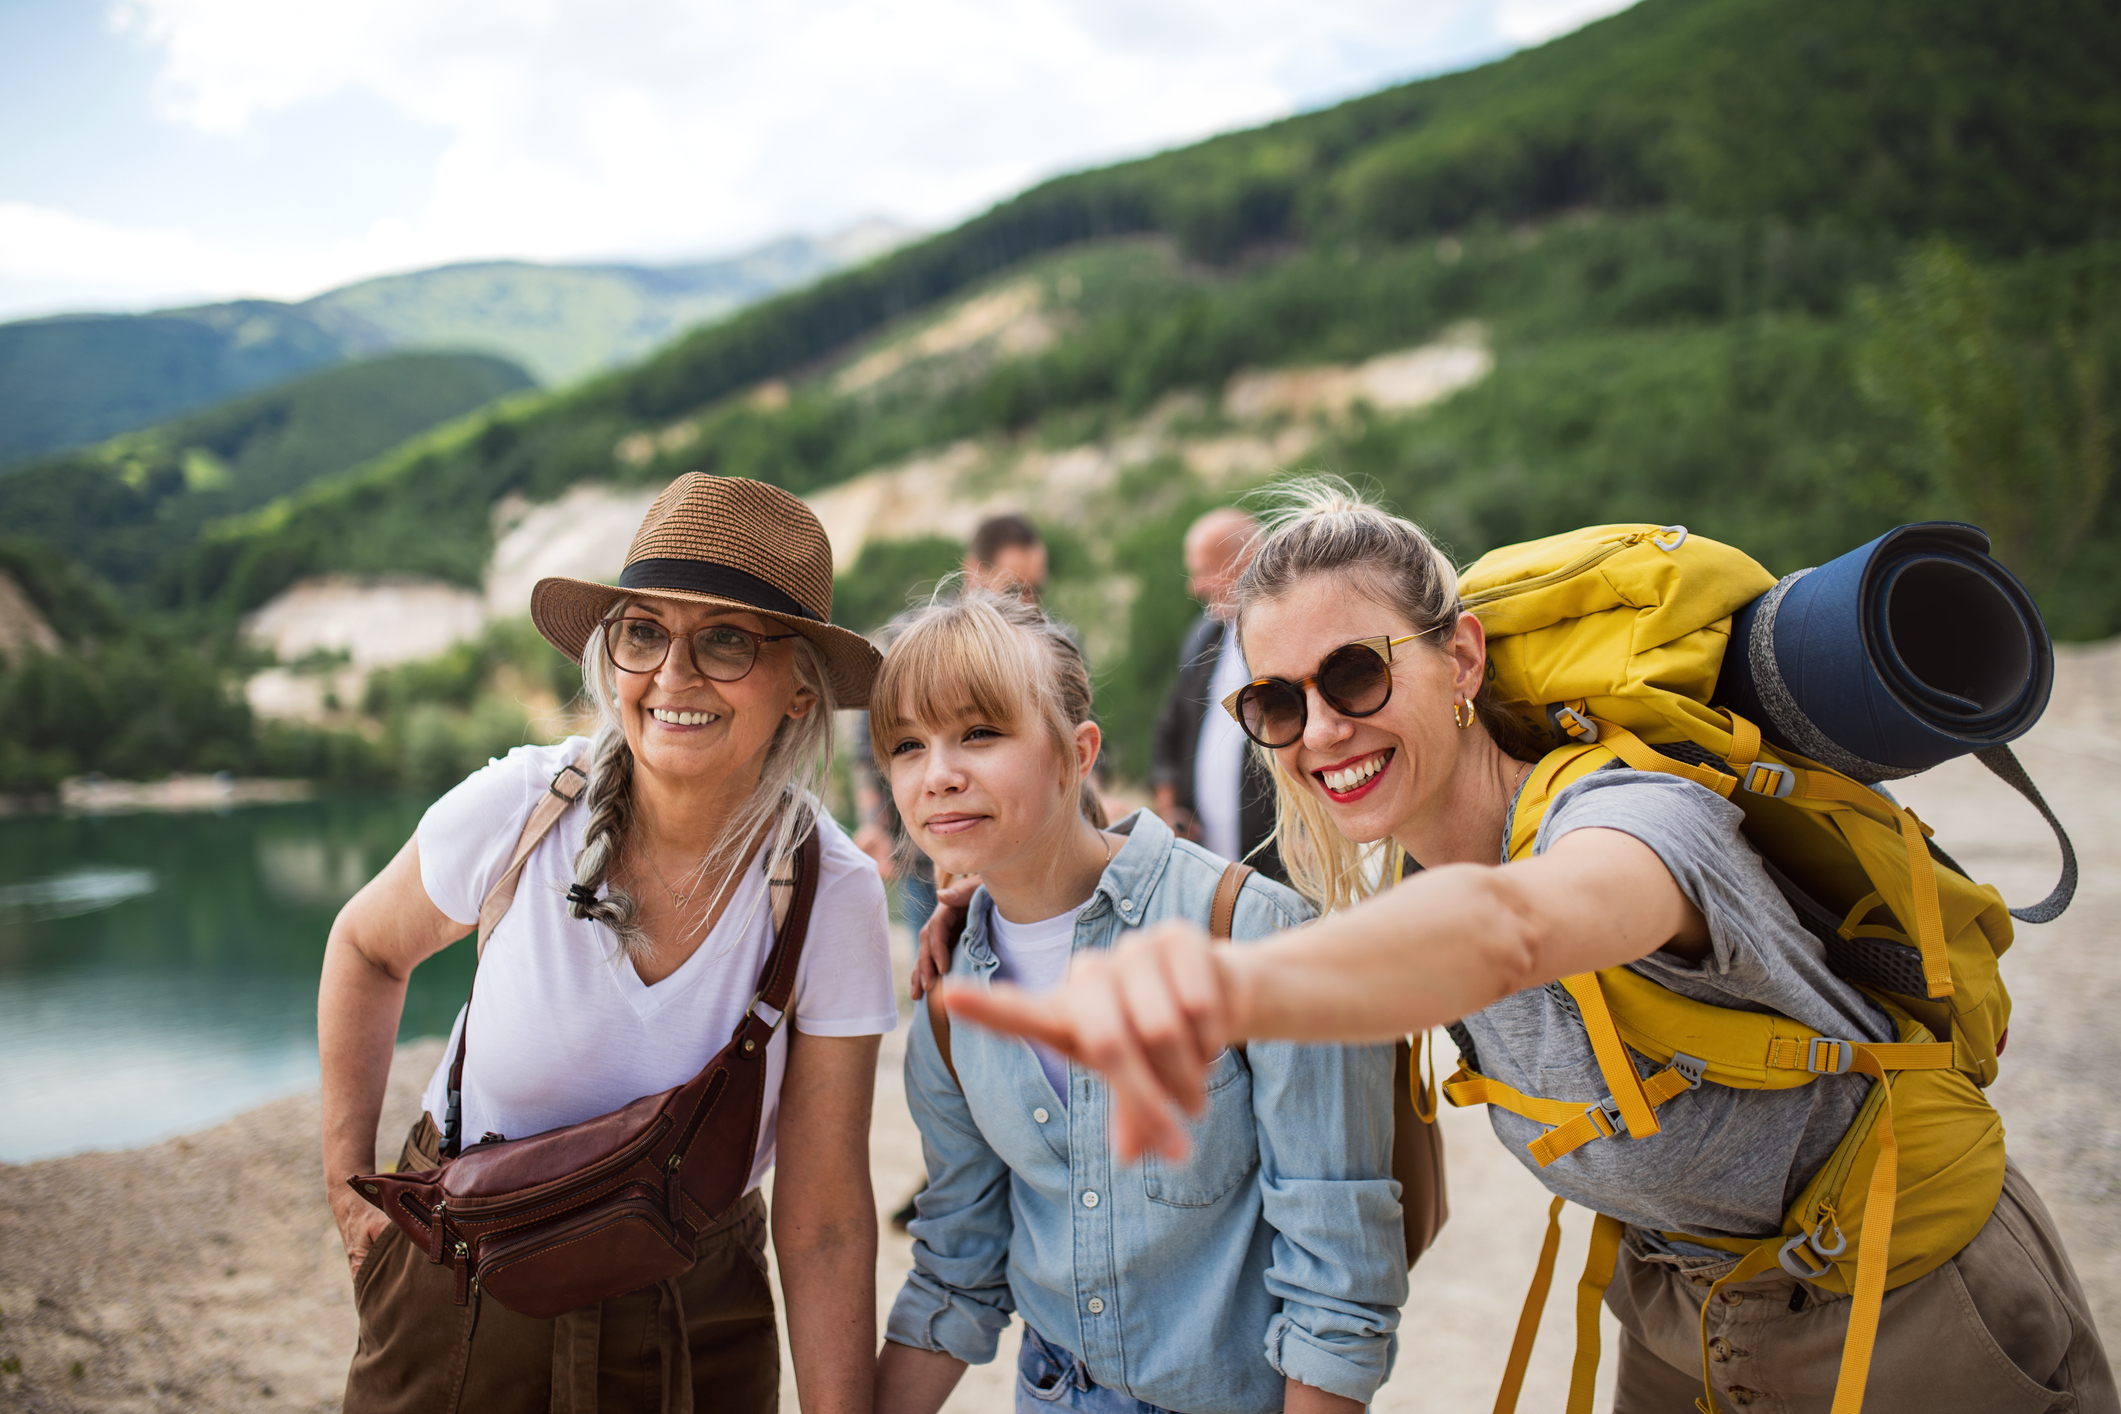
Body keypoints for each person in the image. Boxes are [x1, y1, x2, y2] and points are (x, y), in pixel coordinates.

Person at [947, 483, 2117, 1413]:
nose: (1323, 729)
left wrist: (1229, 988)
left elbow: (1516, 928)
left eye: (1355, 671)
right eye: (1278, 704)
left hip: (1916, 1309)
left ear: (1458, 658)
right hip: (1682, 1308)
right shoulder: (1402, 868)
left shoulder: (1628, 818)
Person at [320, 473, 895, 1414]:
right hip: (463, 1290)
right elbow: (365, 949)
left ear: (800, 693)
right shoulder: (521, 808)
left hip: (693, 1322)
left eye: (724, 640)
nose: (672, 676)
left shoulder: (833, 893)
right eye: (643, 631)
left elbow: (827, 1216)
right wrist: (347, 1186)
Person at [867, 586, 1403, 1414]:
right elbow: (959, 1265)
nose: (937, 775)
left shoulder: (1252, 935)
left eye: (980, 733)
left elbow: (1338, 1279)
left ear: (1076, 753)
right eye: (905, 745)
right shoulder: (949, 1002)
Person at [854, 512, 1055, 936]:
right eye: (1015, 587)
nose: (1027, 604)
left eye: (1035, 590)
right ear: (974, 572)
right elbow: (865, 750)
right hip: (922, 859)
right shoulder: (907, 641)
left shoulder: (1049, 643)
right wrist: (875, 823)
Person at [1151, 507, 1283, 880]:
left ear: (1244, 561)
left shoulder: (1289, 642)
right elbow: (1169, 729)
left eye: (1203, 571)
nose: (1195, 587)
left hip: (1282, 868)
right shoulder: (1204, 638)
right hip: (1209, 869)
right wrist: (1169, 807)